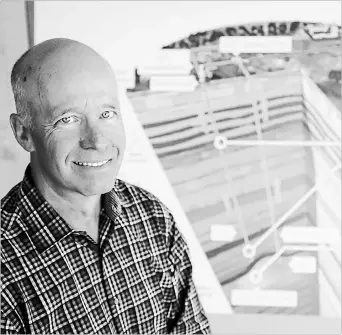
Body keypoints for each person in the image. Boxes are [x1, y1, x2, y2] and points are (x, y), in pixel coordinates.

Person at [1, 38, 211, 334]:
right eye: (68, 119)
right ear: (24, 133)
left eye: (107, 113)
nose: (97, 140)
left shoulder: (152, 218)